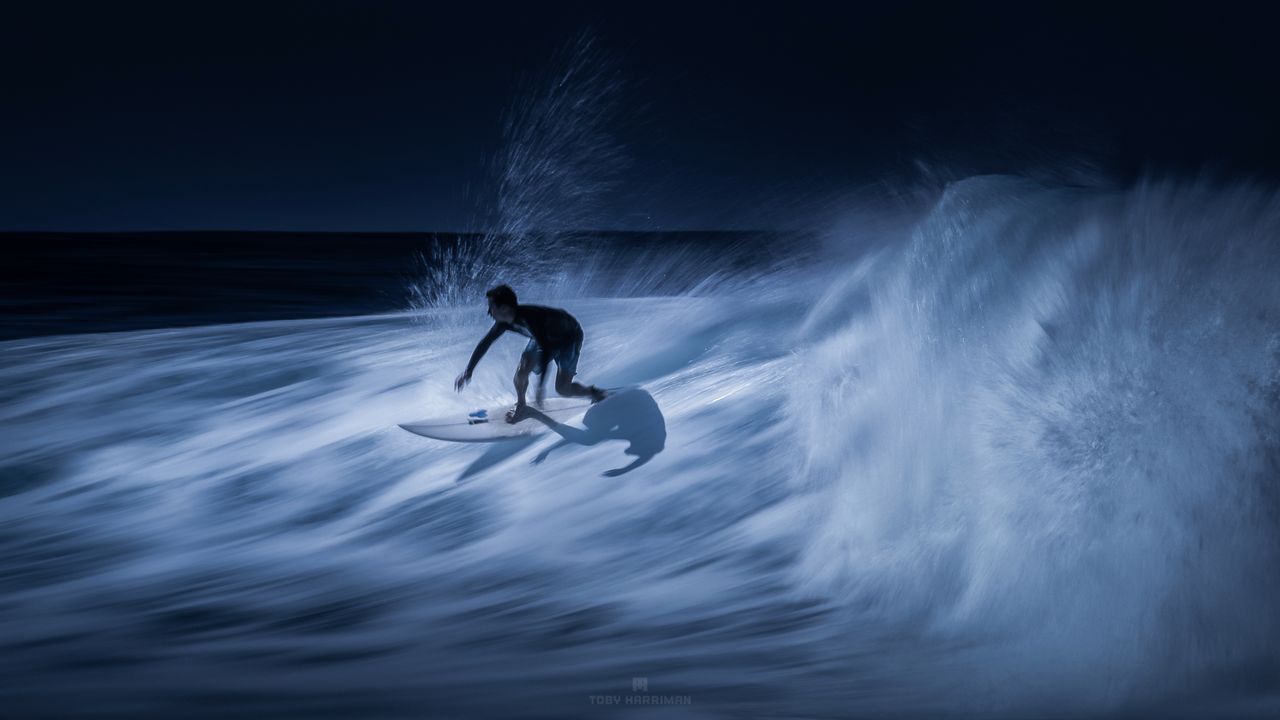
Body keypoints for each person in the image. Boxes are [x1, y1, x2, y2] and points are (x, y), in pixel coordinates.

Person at [454, 284, 607, 423]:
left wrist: (540, 386)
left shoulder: (531, 319)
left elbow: (546, 349)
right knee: (522, 371)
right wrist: (469, 370)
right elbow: (485, 342)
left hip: (570, 337)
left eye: (491, 307)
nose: (488, 312)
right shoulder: (503, 323)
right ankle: (521, 405)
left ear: (504, 308)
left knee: (563, 389)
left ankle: (592, 392)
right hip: (543, 338)